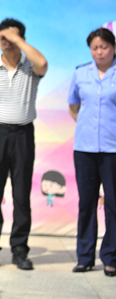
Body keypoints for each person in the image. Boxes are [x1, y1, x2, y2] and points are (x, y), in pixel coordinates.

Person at [0, 18, 48, 270]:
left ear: (21, 39)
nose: (6, 41)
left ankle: (19, 250)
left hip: (23, 136)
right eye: (2, 37)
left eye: (11, 37)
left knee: (21, 195)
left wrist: (17, 39)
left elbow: (43, 64)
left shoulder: (31, 69)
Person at [68, 27, 116, 277]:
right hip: (84, 149)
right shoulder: (80, 73)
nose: (99, 52)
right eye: (94, 48)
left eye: (104, 47)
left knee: (113, 204)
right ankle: (84, 257)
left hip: (113, 149)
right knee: (86, 203)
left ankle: (111, 256)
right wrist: (87, 126)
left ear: (114, 48)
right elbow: (74, 106)